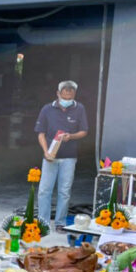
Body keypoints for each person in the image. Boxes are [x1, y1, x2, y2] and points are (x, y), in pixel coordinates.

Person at [35, 80, 89, 228]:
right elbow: (41, 133)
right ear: (58, 94)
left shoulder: (79, 108)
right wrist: (46, 152)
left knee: (64, 192)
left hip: (69, 157)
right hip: (50, 157)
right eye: (64, 96)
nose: (67, 99)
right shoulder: (47, 109)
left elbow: (84, 131)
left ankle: (60, 222)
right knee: (44, 191)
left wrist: (71, 136)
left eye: (70, 97)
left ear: (74, 94)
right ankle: (43, 223)